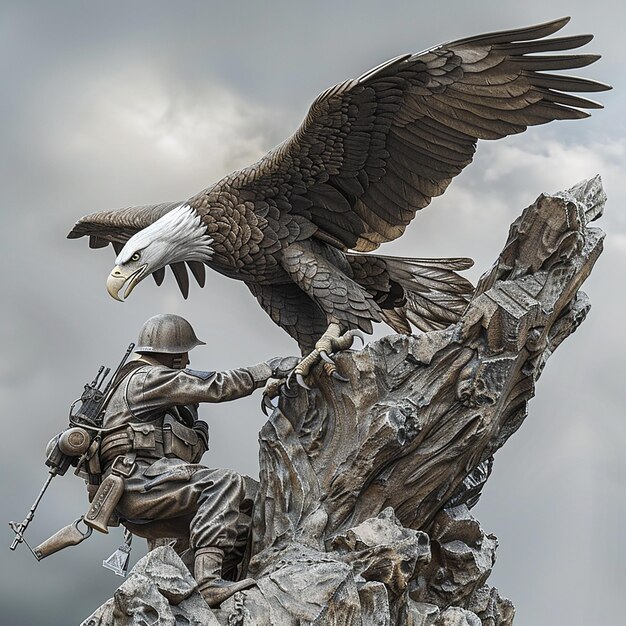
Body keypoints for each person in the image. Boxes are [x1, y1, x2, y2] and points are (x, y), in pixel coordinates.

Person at [91, 313, 298, 607]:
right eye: (184, 352)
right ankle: (208, 583)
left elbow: (182, 455)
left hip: (150, 487)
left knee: (246, 507)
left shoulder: (148, 393)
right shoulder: (147, 378)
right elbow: (216, 385)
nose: (187, 361)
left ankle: (190, 587)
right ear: (171, 355)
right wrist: (267, 369)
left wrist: (195, 428)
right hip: (138, 484)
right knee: (224, 483)